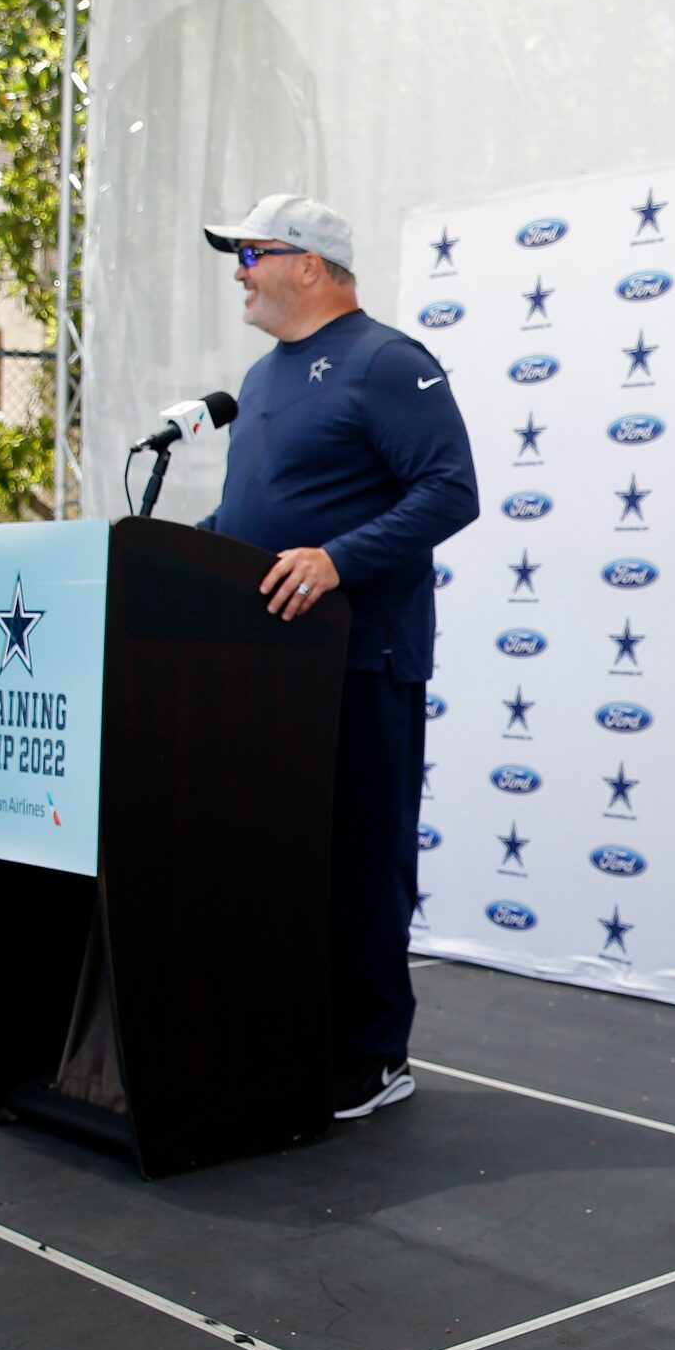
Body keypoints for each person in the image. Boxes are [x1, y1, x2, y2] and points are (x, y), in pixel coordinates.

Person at [198, 193, 479, 1122]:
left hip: (361, 659)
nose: (238, 271)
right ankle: (293, 1031)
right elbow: (257, 518)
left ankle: (371, 1057)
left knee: (359, 859)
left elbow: (451, 490)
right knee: (279, 860)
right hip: (270, 667)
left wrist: (337, 561)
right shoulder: (264, 377)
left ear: (308, 264)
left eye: (250, 254)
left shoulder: (385, 361)